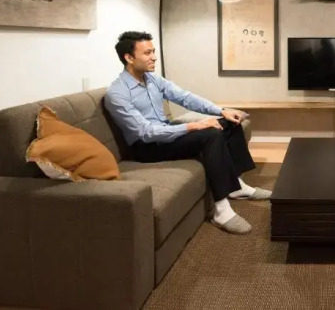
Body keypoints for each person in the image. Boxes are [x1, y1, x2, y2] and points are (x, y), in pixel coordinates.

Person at [104, 31, 270, 235]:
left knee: (231, 121)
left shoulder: (153, 80)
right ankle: (221, 210)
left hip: (166, 134)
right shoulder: (117, 94)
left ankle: (236, 186)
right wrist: (193, 126)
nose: (154, 57)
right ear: (129, 58)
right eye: (147, 53)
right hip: (147, 148)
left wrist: (221, 111)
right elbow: (145, 132)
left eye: (153, 51)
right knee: (211, 134)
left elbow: (185, 98)